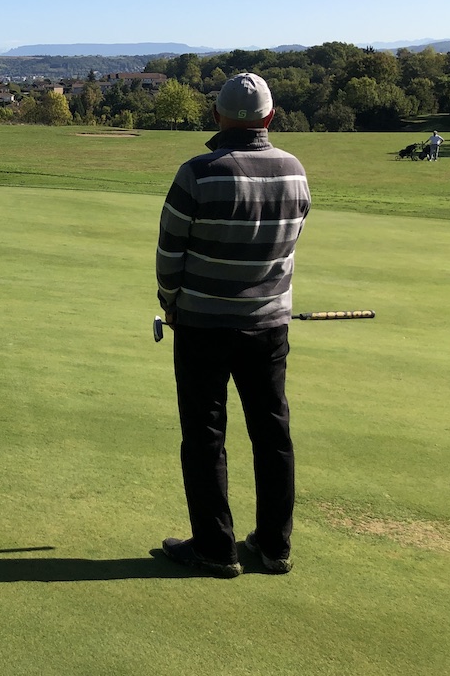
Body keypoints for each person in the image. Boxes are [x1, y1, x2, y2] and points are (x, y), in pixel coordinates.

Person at [155, 73, 311, 578]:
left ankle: (215, 549)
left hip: (201, 324)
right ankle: (274, 547)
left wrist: (171, 304)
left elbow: (169, 253)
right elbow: (289, 243)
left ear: (218, 116)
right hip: (268, 326)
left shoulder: (197, 172)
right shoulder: (294, 170)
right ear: (269, 117)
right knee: (272, 435)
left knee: (204, 436)